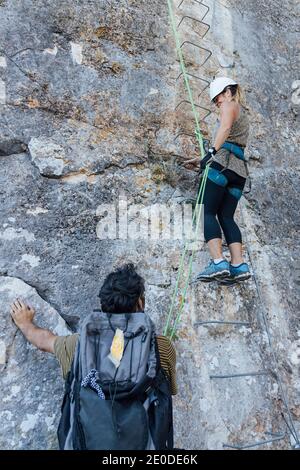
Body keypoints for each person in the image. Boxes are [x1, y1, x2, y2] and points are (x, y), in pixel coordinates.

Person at [10, 264, 177, 449]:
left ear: (103, 305)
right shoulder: (161, 347)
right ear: (140, 303)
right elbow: (167, 393)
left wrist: (25, 324)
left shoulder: (79, 346)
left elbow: (44, 342)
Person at [195, 76, 251, 283]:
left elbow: (225, 128)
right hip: (239, 172)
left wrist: (210, 152)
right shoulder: (244, 114)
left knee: (205, 210)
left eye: (217, 97)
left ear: (228, 91)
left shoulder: (229, 104)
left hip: (221, 165)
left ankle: (218, 262)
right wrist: (200, 158)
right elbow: (233, 140)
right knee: (226, 217)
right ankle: (238, 264)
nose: (217, 102)